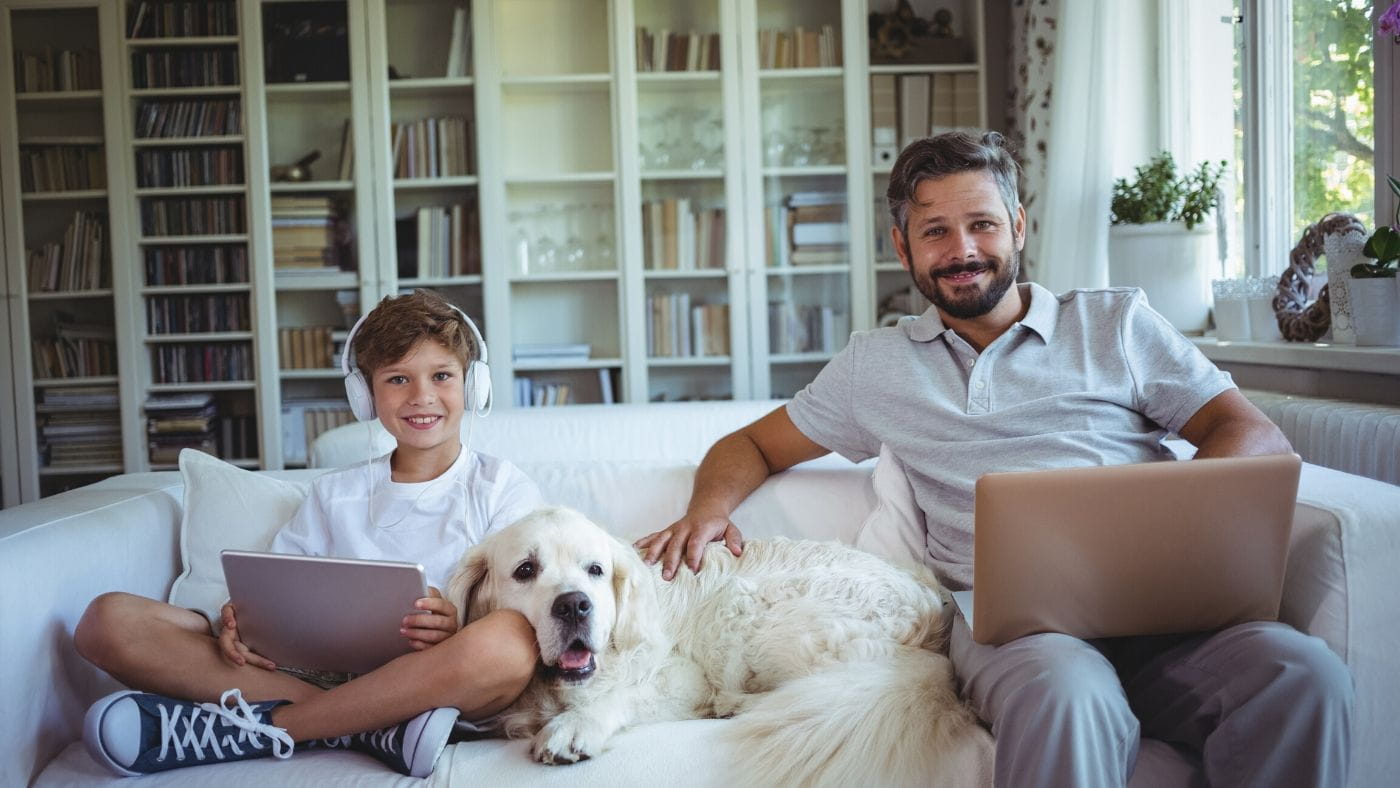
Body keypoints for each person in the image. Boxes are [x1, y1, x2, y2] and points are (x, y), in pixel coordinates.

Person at [635, 132, 1353, 787]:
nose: (962, 250)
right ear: (902, 246)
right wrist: (706, 512)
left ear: (1017, 226)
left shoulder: (1115, 324)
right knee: (1070, 694)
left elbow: (1250, 432)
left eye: (981, 224)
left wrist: (1171, 527)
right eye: (935, 231)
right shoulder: (875, 366)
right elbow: (752, 442)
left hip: (1167, 618)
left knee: (1302, 673)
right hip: (1018, 635)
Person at [76, 290, 543, 778]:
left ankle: (276, 726)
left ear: (474, 383)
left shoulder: (501, 489)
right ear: (365, 395)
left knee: (509, 642)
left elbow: (532, 605)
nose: (421, 396)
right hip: (315, 674)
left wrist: (459, 624)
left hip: (440, 681)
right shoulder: (333, 494)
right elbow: (278, 588)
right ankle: (369, 728)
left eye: (441, 376)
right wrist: (243, 621)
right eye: (398, 379)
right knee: (106, 621)